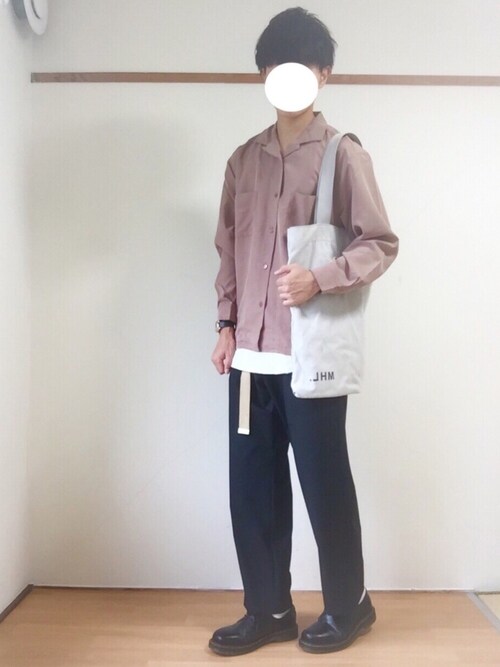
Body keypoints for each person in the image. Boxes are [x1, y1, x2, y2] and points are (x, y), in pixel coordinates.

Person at [209, 7, 399, 657]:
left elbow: (379, 242)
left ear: (324, 74)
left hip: (311, 355)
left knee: (325, 484)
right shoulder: (243, 161)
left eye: (304, 66)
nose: (289, 77)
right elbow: (229, 250)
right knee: (252, 491)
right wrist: (226, 324)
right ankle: (268, 609)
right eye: (276, 66)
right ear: (264, 73)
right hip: (248, 360)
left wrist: (321, 277)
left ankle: (351, 605)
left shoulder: (344, 155)